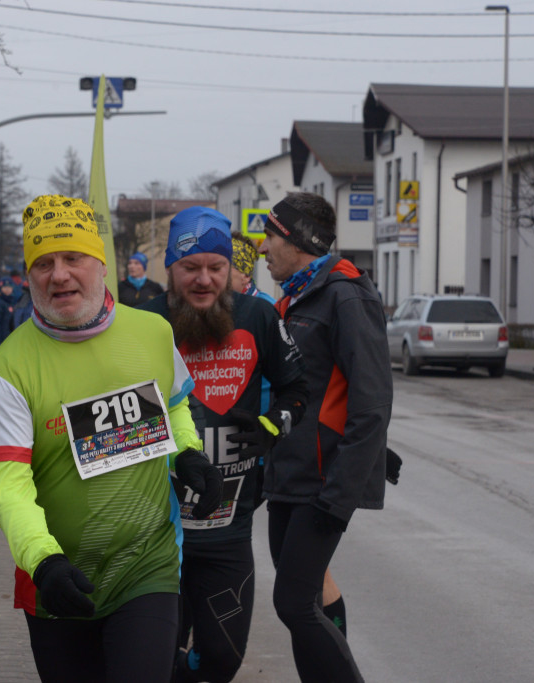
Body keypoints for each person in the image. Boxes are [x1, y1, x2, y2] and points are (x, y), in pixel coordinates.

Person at [0, 194, 223, 683]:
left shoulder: (153, 332)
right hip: (58, 579)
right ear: (29, 276)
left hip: (147, 565)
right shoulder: (6, 369)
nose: (59, 274)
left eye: (73, 258)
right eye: (43, 263)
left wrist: (188, 454)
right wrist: (43, 562)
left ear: (102, 266)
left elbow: (174, 405)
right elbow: (7, 484)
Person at [142, 207, 307, 683]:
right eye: (190, 267)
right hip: (155, 533)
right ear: (171, 269)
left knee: (221, 660)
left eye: (215, 267)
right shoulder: (143, 323)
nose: (203, 279)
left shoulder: (257, 316)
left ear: (230, 268)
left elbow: (298, 390)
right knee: (151, 659)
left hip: (228, 533)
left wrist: (275, 425)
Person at [257, 192, 392, 683]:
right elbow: (314, 392)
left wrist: (341, 492)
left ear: (299, 241)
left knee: (292, 603)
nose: (262, 245)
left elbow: (371, 402)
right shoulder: (294, 296)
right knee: (306, 598)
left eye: (271, 235)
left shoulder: (346, 295)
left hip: (321, 484)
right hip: (288, 475)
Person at [0, 275, 21, 350]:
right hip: (1, 342)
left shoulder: (10, 302)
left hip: (8, 339)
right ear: (0, 288)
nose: (7, 289)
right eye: (5, 287)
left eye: (9, 287)